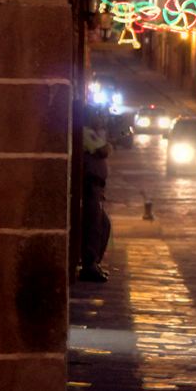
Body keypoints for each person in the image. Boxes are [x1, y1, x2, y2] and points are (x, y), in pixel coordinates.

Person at [79, 111, 113, 282]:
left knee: (103, 225)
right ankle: (89, 265)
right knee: (94, 225)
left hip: (97, 187)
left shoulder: (93, 133)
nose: (100, 119)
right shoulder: (86, 133)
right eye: (98, 116)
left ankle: (94, 263)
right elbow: (103, 150)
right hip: (90, 186)